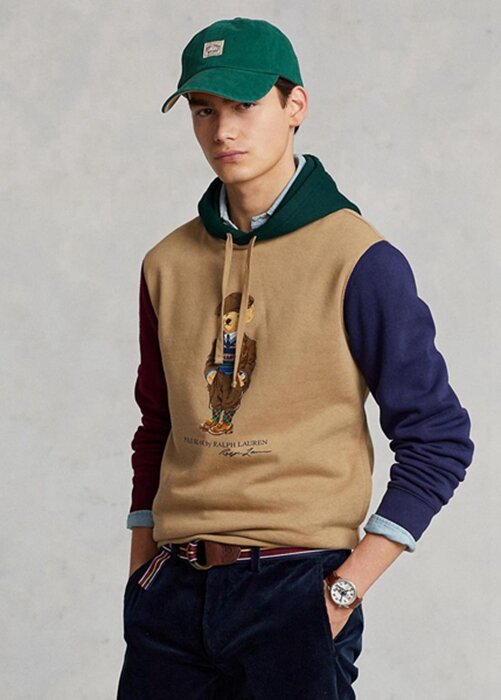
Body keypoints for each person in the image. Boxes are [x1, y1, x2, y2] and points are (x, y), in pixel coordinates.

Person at [116, 16, 474, 699]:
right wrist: (142, 575)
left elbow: (439, 438)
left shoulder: (359, 258)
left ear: (294, 105)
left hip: (295, 587)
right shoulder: (166, 263)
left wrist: (340, 592)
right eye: (203, 110)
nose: (223, 131)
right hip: (172, 592)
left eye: (244, 105)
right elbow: (155, 427)